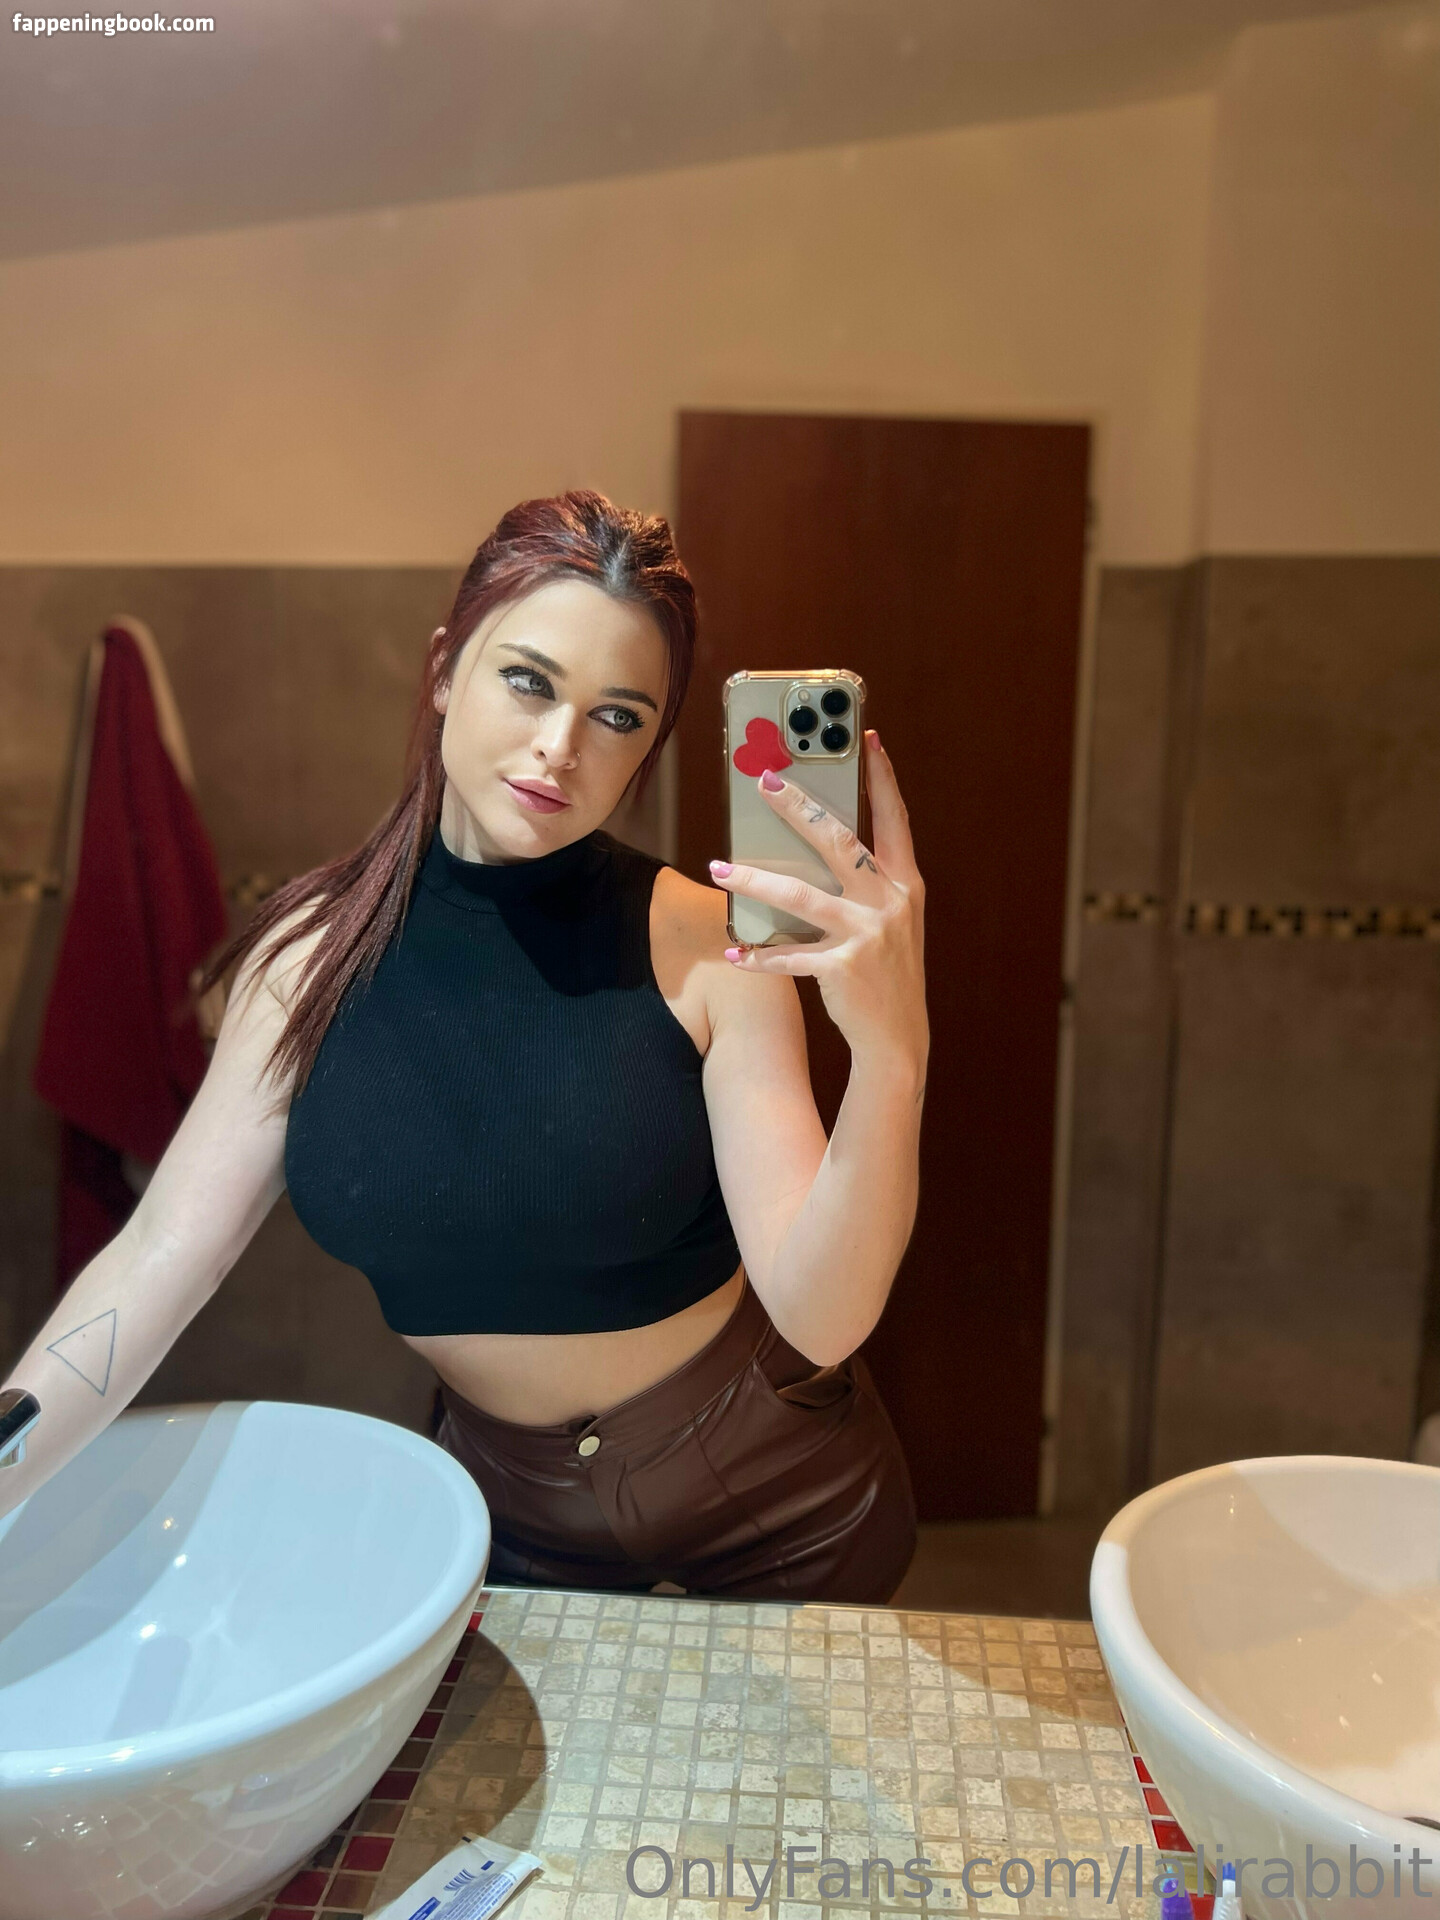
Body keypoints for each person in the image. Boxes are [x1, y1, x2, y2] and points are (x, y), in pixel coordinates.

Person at [1, 490, 929, 1602]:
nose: (560, 747)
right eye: (529, 681)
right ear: (446, 669)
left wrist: (892, 1055)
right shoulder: (305, 963)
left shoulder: (708, 945)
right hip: (507, 1524)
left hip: (782, 1509)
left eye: (618, 715)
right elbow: (158, 1258)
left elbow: (822, 1315)